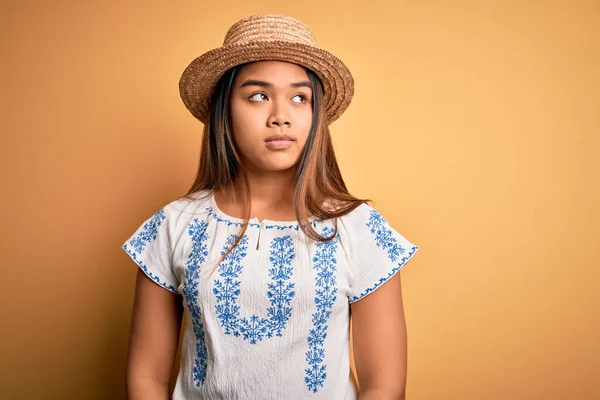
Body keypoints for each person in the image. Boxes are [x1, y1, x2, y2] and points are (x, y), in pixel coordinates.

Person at [122, 13, 419, 400]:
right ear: (223, 111)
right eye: (258, 95)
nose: (280, 117)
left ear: (315, 115)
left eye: (300, 97)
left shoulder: (359, 229)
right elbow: (145, 376)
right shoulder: (175, 224)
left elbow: (385, 385)